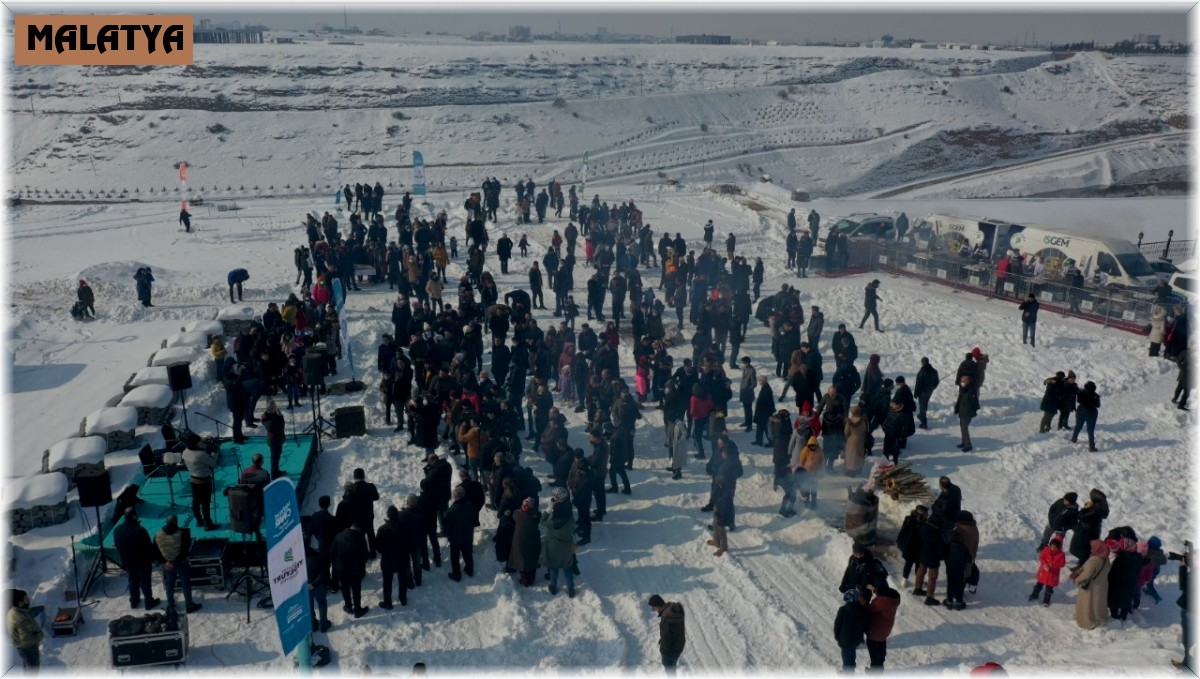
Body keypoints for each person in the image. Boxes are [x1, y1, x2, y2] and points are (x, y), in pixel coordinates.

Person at [154, 514, 202, 614]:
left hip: (166, 565)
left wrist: (165, 562)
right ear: (176, 522)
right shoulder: (182, 533)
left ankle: (171, 605)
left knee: (169, 585)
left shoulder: (157, 534)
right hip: (181, 564)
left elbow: (155, 551)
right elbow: (185, 551)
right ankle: (189, 605)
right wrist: (174, 562)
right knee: (186, 584)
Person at [113, 508, 160, 610]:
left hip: (127, 561)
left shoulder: (117, 530)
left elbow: (118, 545)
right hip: (142, 562)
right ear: (134, 516)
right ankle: (149, 602)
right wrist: (154, 557)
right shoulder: (140, 531)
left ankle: (134, 601)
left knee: (132, 581)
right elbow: (148, 548)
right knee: (145, 582)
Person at [540, 489, 577, 596]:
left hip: (553, 547)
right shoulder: (569, 517)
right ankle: (571, 588)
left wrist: (549, 509)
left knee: (553, 568)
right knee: (567, 568)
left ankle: (553, 586)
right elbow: (574, 527)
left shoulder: (552, 523)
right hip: (566, 547)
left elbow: (542, 520)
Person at [331, 521, 370, 619]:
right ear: (359, 529)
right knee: (356, 590)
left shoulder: (339, 536)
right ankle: (358, 610)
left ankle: (348, 606)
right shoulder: (360, 539)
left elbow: (332, 552)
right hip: (355, 571)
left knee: (345, 588)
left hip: (341, 569)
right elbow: (365, 556)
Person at [1071, 539, 1111, 630]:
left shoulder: (1094, 560)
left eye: (1093, 548)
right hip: (1102, 585)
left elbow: (1086, 574)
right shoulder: (1105, 558)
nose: (1092, 550)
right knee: (1098, 603)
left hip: (1091, 587)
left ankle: (1086, 621)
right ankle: (1100, 617)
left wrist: (1077, 579)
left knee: (1087, 604)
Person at [865, 579, 901, 671]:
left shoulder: (882, 601)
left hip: (875, 631)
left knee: (874, 652)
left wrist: (861, 599)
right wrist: (875, 589)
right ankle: (880, 666)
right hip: (885, 629)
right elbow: (884, 590)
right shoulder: (894, 597)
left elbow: (868, 609)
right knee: (881, 647)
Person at [182, 442, 219, 530]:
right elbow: (212, 463)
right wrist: (214, 452)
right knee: (205, 503)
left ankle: (199, 520)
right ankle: (208, 523)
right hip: (204, 481)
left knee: (196, 501)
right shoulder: (201, 454)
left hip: (193, 479)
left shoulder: (185, 451)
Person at [444, 486, 476, 582]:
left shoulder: (451, 511)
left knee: (455, 557)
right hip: (468, 535)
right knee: (467, 554)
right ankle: (469, 570)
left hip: (455, 538)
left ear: (455, 496)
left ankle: (456, 574)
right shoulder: (470, 505)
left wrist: (449, 536)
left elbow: (447, 527)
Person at [5, 589, 43, 672]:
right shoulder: (21, 619)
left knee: (27, 665)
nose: (29, 599)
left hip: (22, 647)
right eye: (26, 598)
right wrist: (38, 636)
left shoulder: (14, 611)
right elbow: (26, 638)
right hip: (28, 647)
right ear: (20, 603)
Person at [833, 588, 868, 673]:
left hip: (845, 639)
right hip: (856, 639)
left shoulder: (843, 610)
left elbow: (837, 625)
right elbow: (864, 625)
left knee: (846, 657)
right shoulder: (862, 610)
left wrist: (837, 636)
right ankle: (851, 668)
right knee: (852, 654)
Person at [1029, 536, 1068, 606]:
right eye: (1052, 547)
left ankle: (1046, 601)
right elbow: (1041, 557)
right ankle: (1034, 595)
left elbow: (1062, 564)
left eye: (1055, 548)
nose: (1053, 549)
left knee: (1049, 589)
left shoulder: (1061, 554)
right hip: (1043, 572)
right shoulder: (1046, 550)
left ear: (1058, 548)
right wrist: (1044, 564)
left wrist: (1053, 565)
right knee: (1039, 585)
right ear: (1050, 546)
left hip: (1052, 574)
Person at [1071, 380, 1100, 452]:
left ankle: (1074, 439)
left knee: (1078, 426)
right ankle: (1091, 447)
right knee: (1090, 430)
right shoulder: (1095, 396)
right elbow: (1098, 405)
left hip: (1080, 412)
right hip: (1091, 413)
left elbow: (1078, 401)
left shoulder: (1081, 393)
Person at [953, 374, 979, 452]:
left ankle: (968, 445)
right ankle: (964, 442)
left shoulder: (971, 389)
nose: (962, 382)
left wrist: (973, 411)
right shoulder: (965, 388)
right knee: (962, 427)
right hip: (963, 411)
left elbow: (972, 401)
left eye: (963, 381)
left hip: (967, 412)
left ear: (967, 381)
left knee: (964, 428)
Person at [261, 400, 286, 478]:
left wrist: (279, 415)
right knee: (274, 458)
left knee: (277, 457)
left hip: (277, 439)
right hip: (274, 441)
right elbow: (281, 426)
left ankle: (276, 470)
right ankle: (274, 474)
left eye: (275, 406)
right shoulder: (269, 420)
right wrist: (281, 417)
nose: (276, 408)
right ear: (270, 408)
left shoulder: (272, 414)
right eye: (274, 406)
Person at [913, 357, 939, 429]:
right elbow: (937, 381)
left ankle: (924, 423)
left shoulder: (921, 372)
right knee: (925, 403)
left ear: (922, 363)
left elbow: (918, 384)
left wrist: (916, 394)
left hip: (922, 392)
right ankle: (921, 415)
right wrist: (933, 387)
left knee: (922, 407)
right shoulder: (934, 371)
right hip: (929, 391)